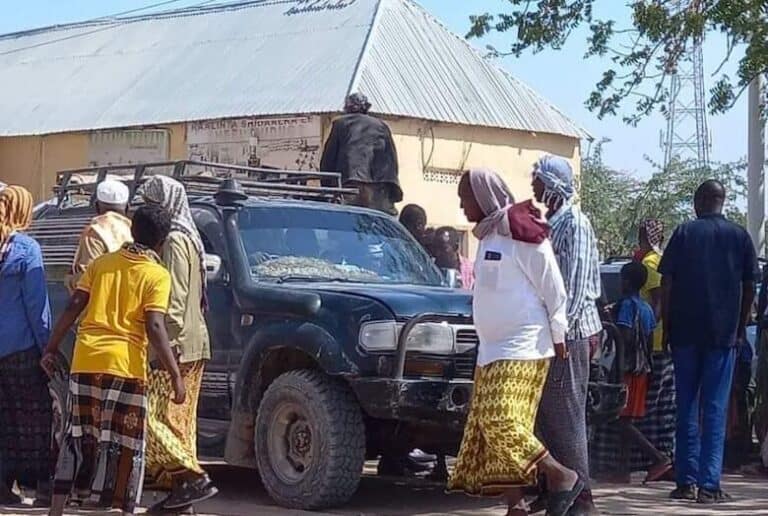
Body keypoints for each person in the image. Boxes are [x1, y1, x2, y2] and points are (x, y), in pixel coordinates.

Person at [448, 168, 583, 516]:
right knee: (489, 429)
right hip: (491, 349)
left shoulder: (522, 232)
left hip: (524, 346)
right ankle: (516, 504)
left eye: (465, 198)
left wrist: (558, 332)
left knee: (501, 419)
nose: (462, 205)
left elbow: (554, 288)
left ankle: (561, 475)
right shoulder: (489, 235)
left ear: (482, 196)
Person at [42, 204, 186, 516]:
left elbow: (74, 304)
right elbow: (155, 325)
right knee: (126, 443)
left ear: (133, 228)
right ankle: (122, 508)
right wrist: (175, 374)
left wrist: (51, 347)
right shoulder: (157, 274)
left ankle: (56, 509)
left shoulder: (101, 264)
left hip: (86, 360)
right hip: (126, 366)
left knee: (76, 436)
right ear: (162, 241)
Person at [659, 179, 759, 504]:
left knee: (686, 406)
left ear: (700, 201)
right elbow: (749, 288)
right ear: (722, 200)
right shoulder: (739, 236)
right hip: (723, 335)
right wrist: (741, 327)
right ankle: (709, 485)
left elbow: (667, 283)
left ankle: (685, 481)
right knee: (714, 408)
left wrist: (668, 326)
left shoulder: (684, 233)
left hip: (685, 334)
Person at [141, 175, 217, 510]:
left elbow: (173, 301)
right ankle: (183, 497)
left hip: (176, 346)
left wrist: (162, 351)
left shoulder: (172, 241)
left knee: (154, 418)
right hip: (193, 341)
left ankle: (192, 480)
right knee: (179, 422)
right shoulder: (188, 236)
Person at [530, 155, 601, 516]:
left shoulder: (575, 223)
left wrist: (560, 334)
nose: (532, 184)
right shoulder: (554, 221)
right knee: (547, 415)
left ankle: (582, 495)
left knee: (567, 416)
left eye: (537, 178)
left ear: (552, 184)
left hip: (569, 334)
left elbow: (572, 287)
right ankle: (554, 487)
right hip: (553, 332)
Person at [0, 186, 53, 506]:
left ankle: (3, 485)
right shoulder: (25, 249)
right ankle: (42, 486)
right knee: (34, 419)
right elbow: (37, 305)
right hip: (20, 350)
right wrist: (48, 347)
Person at [610, 262, 671, 480]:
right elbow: (648, 338)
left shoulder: (627, 306)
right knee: (626, 420)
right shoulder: (646, 308)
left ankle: (658, 458)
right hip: (643, 369)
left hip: (627, 369)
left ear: (626, 282)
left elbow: (623, 336)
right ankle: (621, 470)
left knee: (620, 419)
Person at [320, 93, 403, 215]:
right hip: (380, 187)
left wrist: (327, 187)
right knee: (381, 222)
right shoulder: (382, 126)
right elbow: (392, 160)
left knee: (345, 219)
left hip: (350, 184)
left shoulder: (340, 124)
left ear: (347, 108)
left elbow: (328, 159)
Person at [67, 179, 132, 292]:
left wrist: (71, 279)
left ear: (96, 206)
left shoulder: (95, 232)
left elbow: (86, 278)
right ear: (127, 208)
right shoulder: (135, 232)